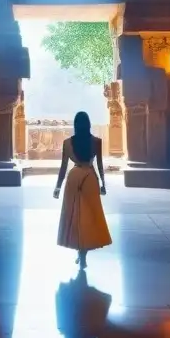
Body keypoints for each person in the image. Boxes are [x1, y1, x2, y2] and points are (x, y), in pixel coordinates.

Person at [53, 111, 112, 268]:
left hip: (74, 178)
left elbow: (63, 167)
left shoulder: (67, 143)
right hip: (90, 179)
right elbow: (99, 165)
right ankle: (83, 253)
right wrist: (103, 185)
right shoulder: (96, 142)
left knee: (75, 216)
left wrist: (57, 187)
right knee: (88, 217)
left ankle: (79, 250)